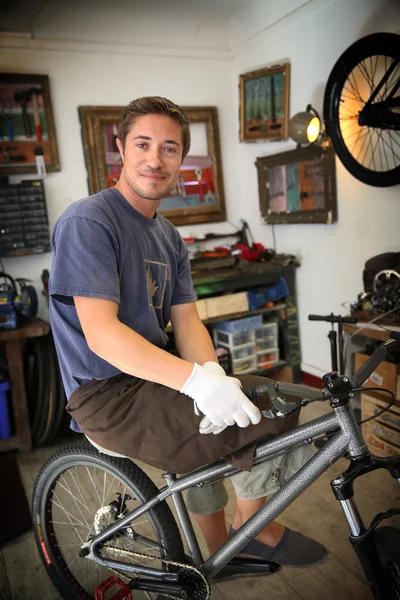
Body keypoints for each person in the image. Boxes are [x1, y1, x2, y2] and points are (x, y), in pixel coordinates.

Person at [49, 96, 327, 568]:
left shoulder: (169, 237)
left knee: (236, 411)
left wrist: (213, 376)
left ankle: (219, 552)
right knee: (272, 410)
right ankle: (252, 529)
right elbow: (101, 334)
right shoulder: (89, 219)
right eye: (143, 144)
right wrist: (196, 384)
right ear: (120, 148)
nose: (155, 159)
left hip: (154, 377)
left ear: (181, 159)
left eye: (170, 148)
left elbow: (187, 321)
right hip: (105, 394)